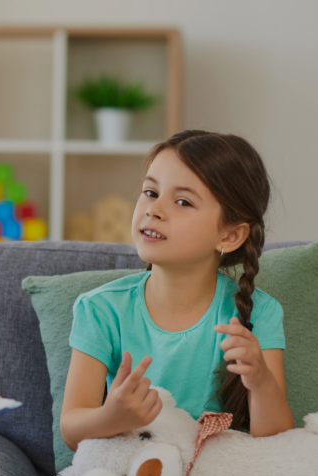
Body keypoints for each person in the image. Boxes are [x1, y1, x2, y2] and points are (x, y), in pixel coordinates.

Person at [60, 130, 294, 450]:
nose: (153, 209)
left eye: (183, 201)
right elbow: (71, 430)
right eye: (150, 191)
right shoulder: (100, 309)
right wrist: (112, 417)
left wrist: (261, 381)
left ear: (230, 236)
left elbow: (277, 440)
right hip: (133, 474)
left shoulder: (260, 314)